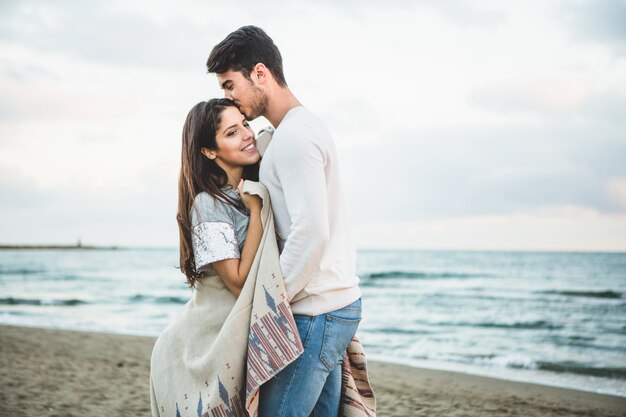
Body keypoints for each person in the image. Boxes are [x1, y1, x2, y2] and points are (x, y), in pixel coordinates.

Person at [207, 26, 362, 417]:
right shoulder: (293, 131)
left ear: (260, 74)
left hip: (315, 313)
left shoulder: (294, 137)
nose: (229, 99)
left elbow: (311, 234)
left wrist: (269, 309)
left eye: (230, 85)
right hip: (331, 306)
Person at [177, 98, 262, 294]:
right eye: (232, 133)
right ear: (209, 151)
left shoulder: (249, 189)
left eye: (245, 124)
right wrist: (257, 211)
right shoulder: (208, 203)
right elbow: (238, 285)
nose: (248, 135)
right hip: (217, 323)